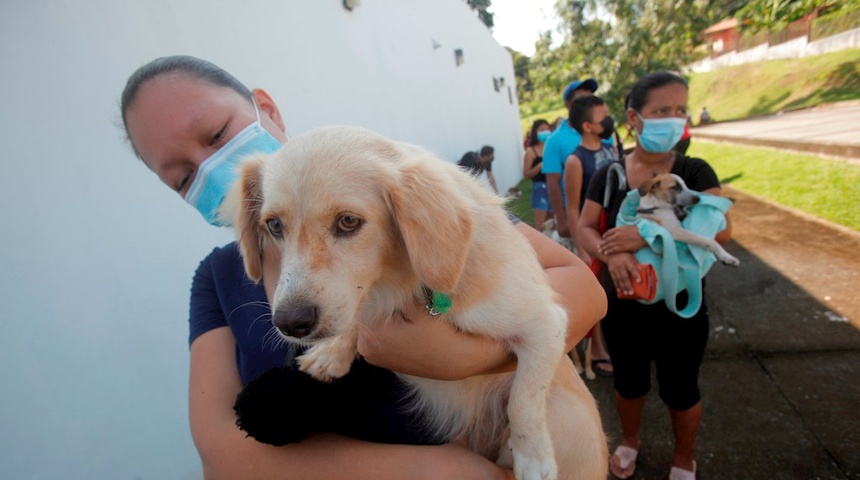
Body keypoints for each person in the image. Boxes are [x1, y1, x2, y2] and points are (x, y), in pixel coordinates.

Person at [120, 55, 608, 479]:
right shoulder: (216, 281)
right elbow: (222, 459)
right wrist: (444, 472)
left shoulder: (407, 195)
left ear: (264, 108)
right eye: (183, 176)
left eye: (216, 133)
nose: (210, 167)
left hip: (547, 442)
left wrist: (462, 355)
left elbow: (581, 290)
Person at [577, 71, 733, 480]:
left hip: (679, 305)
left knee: (682, 390)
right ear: (634, 117)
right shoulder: (608, 174)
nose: (674, 118)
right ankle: (630, 441)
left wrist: (645, 233)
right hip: (624, 304)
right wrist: (611, 256)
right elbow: (585, 228)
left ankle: (684, 458)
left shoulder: (694, 173)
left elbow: (720, 228)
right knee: (628, 384)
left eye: (680, 110)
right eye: (661, 110)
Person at [562, 95, 619, 378]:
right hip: (591, 234)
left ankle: (616, 341)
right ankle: (597, 348)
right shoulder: (576, 160)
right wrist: (582, 247)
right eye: (603, 116)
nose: (609, 120)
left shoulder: (612, 148)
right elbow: (573, 207)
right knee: (596, 295)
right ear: (587, 126)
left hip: (615, 231)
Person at [542, 78, 599, 241]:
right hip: (578, 215)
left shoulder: (603, 132)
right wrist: (561, 219)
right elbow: (553, 182)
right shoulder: (555, 140)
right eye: (582, 98)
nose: (589, 103)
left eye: (591, 97)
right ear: (568, 104)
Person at [522, 119, 553, 227]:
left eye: (547, 129)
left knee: (553, 224)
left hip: (554, 187)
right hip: (540, 188)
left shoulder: (552, 147)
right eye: (541, 129)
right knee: (541, 225)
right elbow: (526, 174)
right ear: (535, 132)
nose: (545, 132)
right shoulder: (531, 151)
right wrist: (539, 167)